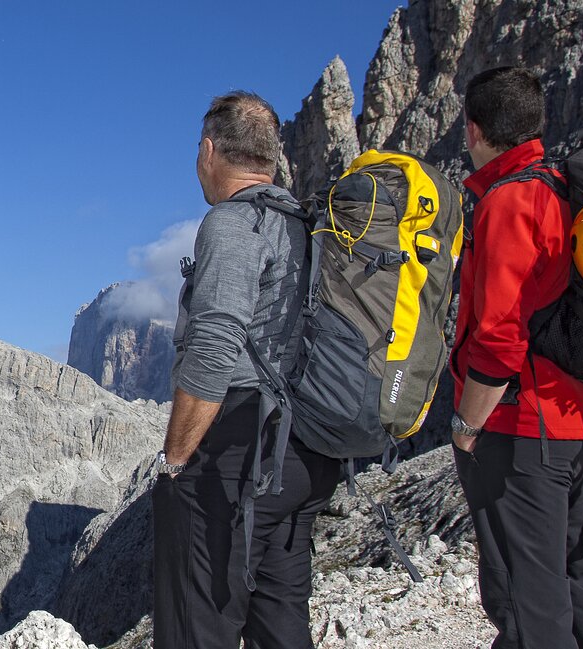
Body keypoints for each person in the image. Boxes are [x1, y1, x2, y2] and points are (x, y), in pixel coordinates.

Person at [449, 66, 583, 649]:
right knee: (574, 576)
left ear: (474, 130)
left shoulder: (509, 200)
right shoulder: (567, 188)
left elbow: (499, 336)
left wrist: (467, 426)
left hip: (524, 429)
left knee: (526, 602)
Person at [151, 91, 334, 649]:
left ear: (209, 151)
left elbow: (214, 345)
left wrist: (175, 460)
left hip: (238, 452)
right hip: (304, 453)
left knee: (197, 623)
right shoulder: (307, 225)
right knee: (281, 621)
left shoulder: (232, 223)